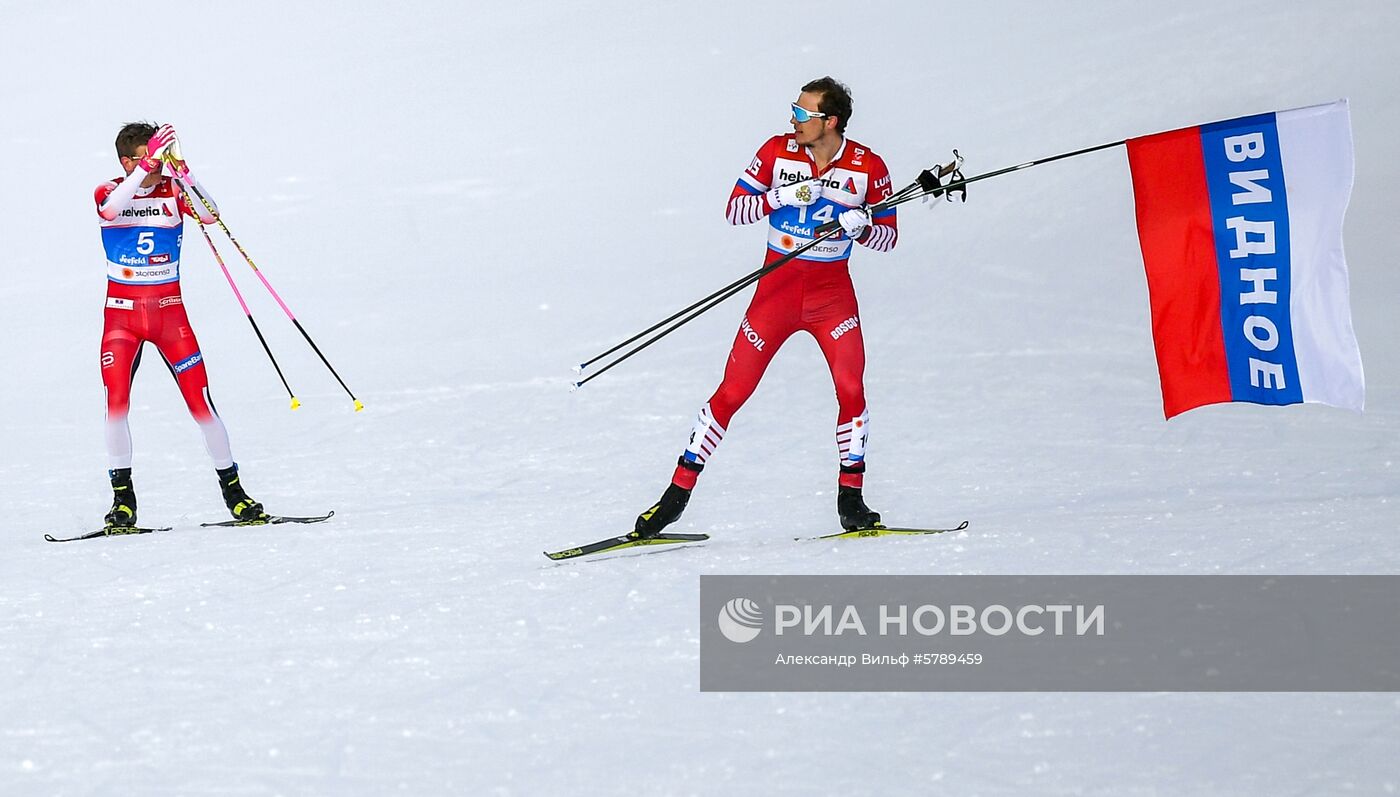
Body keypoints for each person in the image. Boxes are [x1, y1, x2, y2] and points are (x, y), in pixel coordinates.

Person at [633, 77, 898, 537]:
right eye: (793, 111)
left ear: (829, 121)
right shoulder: (776, 152)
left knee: (851, 388)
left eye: (802, 114)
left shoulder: (868, 165)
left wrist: (861, 228)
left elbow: (888, 237)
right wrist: (781, 197)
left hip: (831, 297)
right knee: (733, 391)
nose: (792, 120)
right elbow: (735, 210)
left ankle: (851, 501)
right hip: (776, 290)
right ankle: (674, 498)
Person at [96, 122, 269, 528]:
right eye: (146, 156)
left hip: (170, 316)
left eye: (158, 155)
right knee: (116, 405)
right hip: (122, 318)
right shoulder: (108, 189)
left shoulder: (171, 190)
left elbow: (210, 215)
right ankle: (123, 502)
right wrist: (145, 167)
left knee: (202, 405)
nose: (155, 164)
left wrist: (185, 174)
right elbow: (109, 211)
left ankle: (236, 494)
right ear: (127, 161)